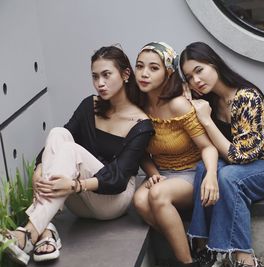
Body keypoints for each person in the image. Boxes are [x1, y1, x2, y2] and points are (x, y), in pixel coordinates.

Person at [0, 45, 154, 265]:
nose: (100, 83)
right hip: (80, 201)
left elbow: (119, 179)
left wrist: (74, 185)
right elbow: (58, 143)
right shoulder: (89, 106)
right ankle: (45, 233)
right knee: (58, 133)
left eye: (106, 75)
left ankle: (28, 234)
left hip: (112, 201)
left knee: (71, 149)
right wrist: (39, 170)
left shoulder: (141, 124)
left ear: (125, 74)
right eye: (95, 76)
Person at [180, 41, 264, 267]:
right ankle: (203, 247)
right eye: (189, 77)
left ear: (214, 64)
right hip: (239, 166)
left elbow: (238, 156)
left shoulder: (247, 97)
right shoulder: (210, 102)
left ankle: (244, 258)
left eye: (199, 70)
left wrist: (206, 120)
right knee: (203, 169)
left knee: (229, 177)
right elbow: (212, 152)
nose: (196, 80)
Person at [132, 42, 218, 267]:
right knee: (140, 201)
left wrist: (210, 175)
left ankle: (186, 262)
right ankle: (190, 249)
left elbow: (207, 147)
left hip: (191, 173)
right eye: (140, 66)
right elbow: (139, 151)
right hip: (163, 173)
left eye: (153, 68)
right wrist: (152, 173)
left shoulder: (178, 104)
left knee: (157, 195)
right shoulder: (138, 106)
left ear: (167, 72)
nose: (144, 73)